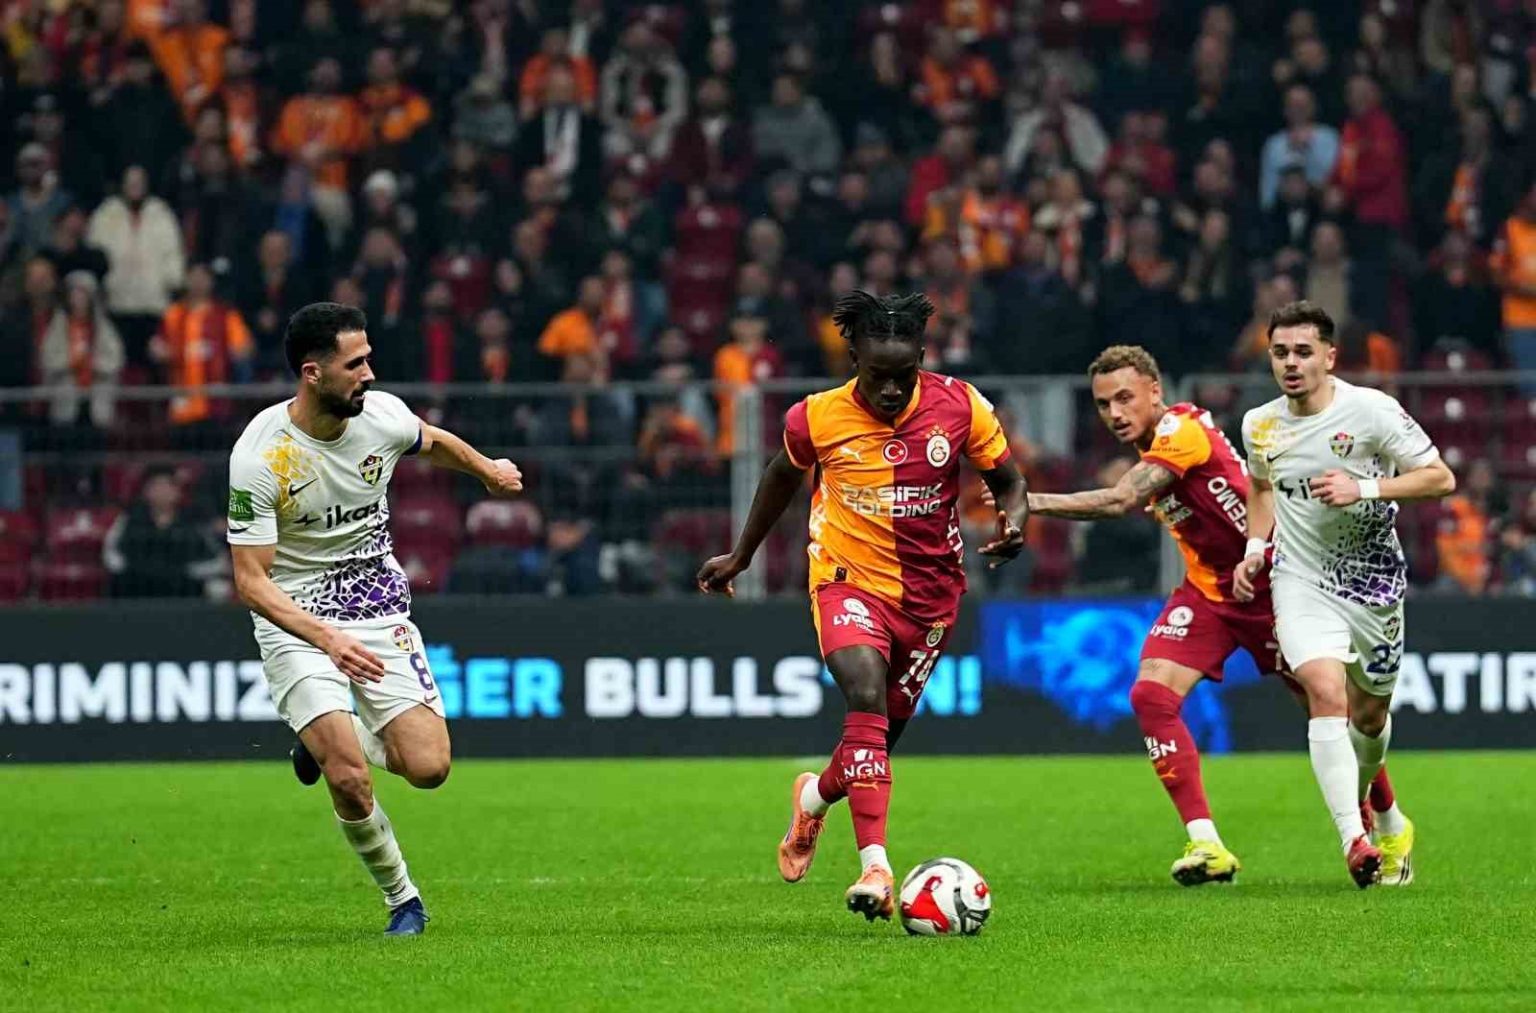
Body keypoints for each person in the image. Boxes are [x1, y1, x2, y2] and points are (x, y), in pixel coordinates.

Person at [696, 291, 1028, 922]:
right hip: (845, 580)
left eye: (904, 375)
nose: (891, 390)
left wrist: (1016, 522)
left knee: (873, 745)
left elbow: (1009, 481)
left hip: (932, 597)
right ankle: (876, 868)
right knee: (865, 697)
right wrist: (742, 555)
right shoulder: (816, 417)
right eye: (878, 376)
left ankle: (812, 803)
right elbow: (780, 476)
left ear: (922, 358)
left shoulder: (962, 405)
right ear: (854, 360)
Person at [1025, 345, 1400, 885]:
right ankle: (1207, 844)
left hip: (1274, 587)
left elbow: (1119, 500)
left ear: (1156, 391)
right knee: (1150, 694)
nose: (1115, 413)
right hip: (1209, 594)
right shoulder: (1153, 446)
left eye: (1126, 398)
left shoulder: (1182, 431)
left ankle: (1385, 820)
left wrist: (1028, 501)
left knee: (1333, 712)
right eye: (1104, 404)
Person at [226, 303, 524, 935]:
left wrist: (488, 471)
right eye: (354, 363)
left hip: (375, 603)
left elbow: (432, 441)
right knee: (350, 778)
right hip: (296, 618)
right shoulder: (261, 456)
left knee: (429, 769)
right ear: (313, 373)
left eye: (368, 359)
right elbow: (251, 582)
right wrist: (325, 638)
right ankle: (403, 901)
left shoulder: (381, 415)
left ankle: (319, 741)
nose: (369, 373)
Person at [1236, 300, 1456, 888]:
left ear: (1329, 357)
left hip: (1374, 583)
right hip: (1300, 578)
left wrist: (1364, 488)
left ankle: (1388, 819)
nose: (1291, 363)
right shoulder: (1259, 424)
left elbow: (1440, 477)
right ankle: (1353, 839)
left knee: (1370, 717)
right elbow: (1261, 487)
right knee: (1324, 690)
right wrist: (1255, 548)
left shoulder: (1371, 411)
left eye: (1303, 352)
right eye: (1280, 352)